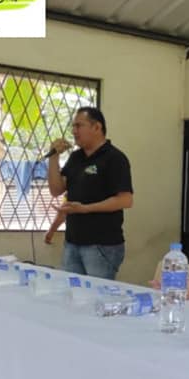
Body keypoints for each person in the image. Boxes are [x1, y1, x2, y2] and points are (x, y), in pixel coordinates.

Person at [47, 107, 133, 279]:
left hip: (102, 245)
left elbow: (125, 200)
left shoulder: (114, 158)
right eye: (73, 126)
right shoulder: (76, 158)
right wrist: (53, 157)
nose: (74, 131)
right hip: (72, 242)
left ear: (97, 127)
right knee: (70, 291)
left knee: (97, 293)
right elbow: (56, 190)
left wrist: (86, 209)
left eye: (79, 126)